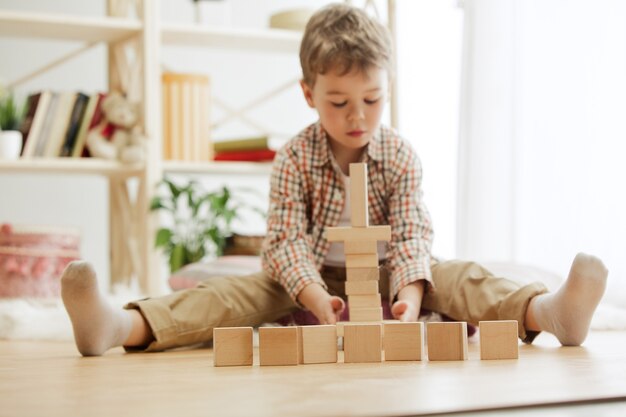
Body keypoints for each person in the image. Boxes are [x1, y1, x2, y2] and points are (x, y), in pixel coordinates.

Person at [61, 3, 608, 356]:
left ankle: (550, 313)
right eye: (339, 102)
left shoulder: (398, 154)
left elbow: (415, 231)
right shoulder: (296, 156)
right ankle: (122, 327)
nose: (358, 117)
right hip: (311, 276)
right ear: (308, 94)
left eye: (372, 100)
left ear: (386, 90)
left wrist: (412, 296)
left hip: (394, 274)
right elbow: (284, 241)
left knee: (462, 276)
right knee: (232, 294)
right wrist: (315, 297)